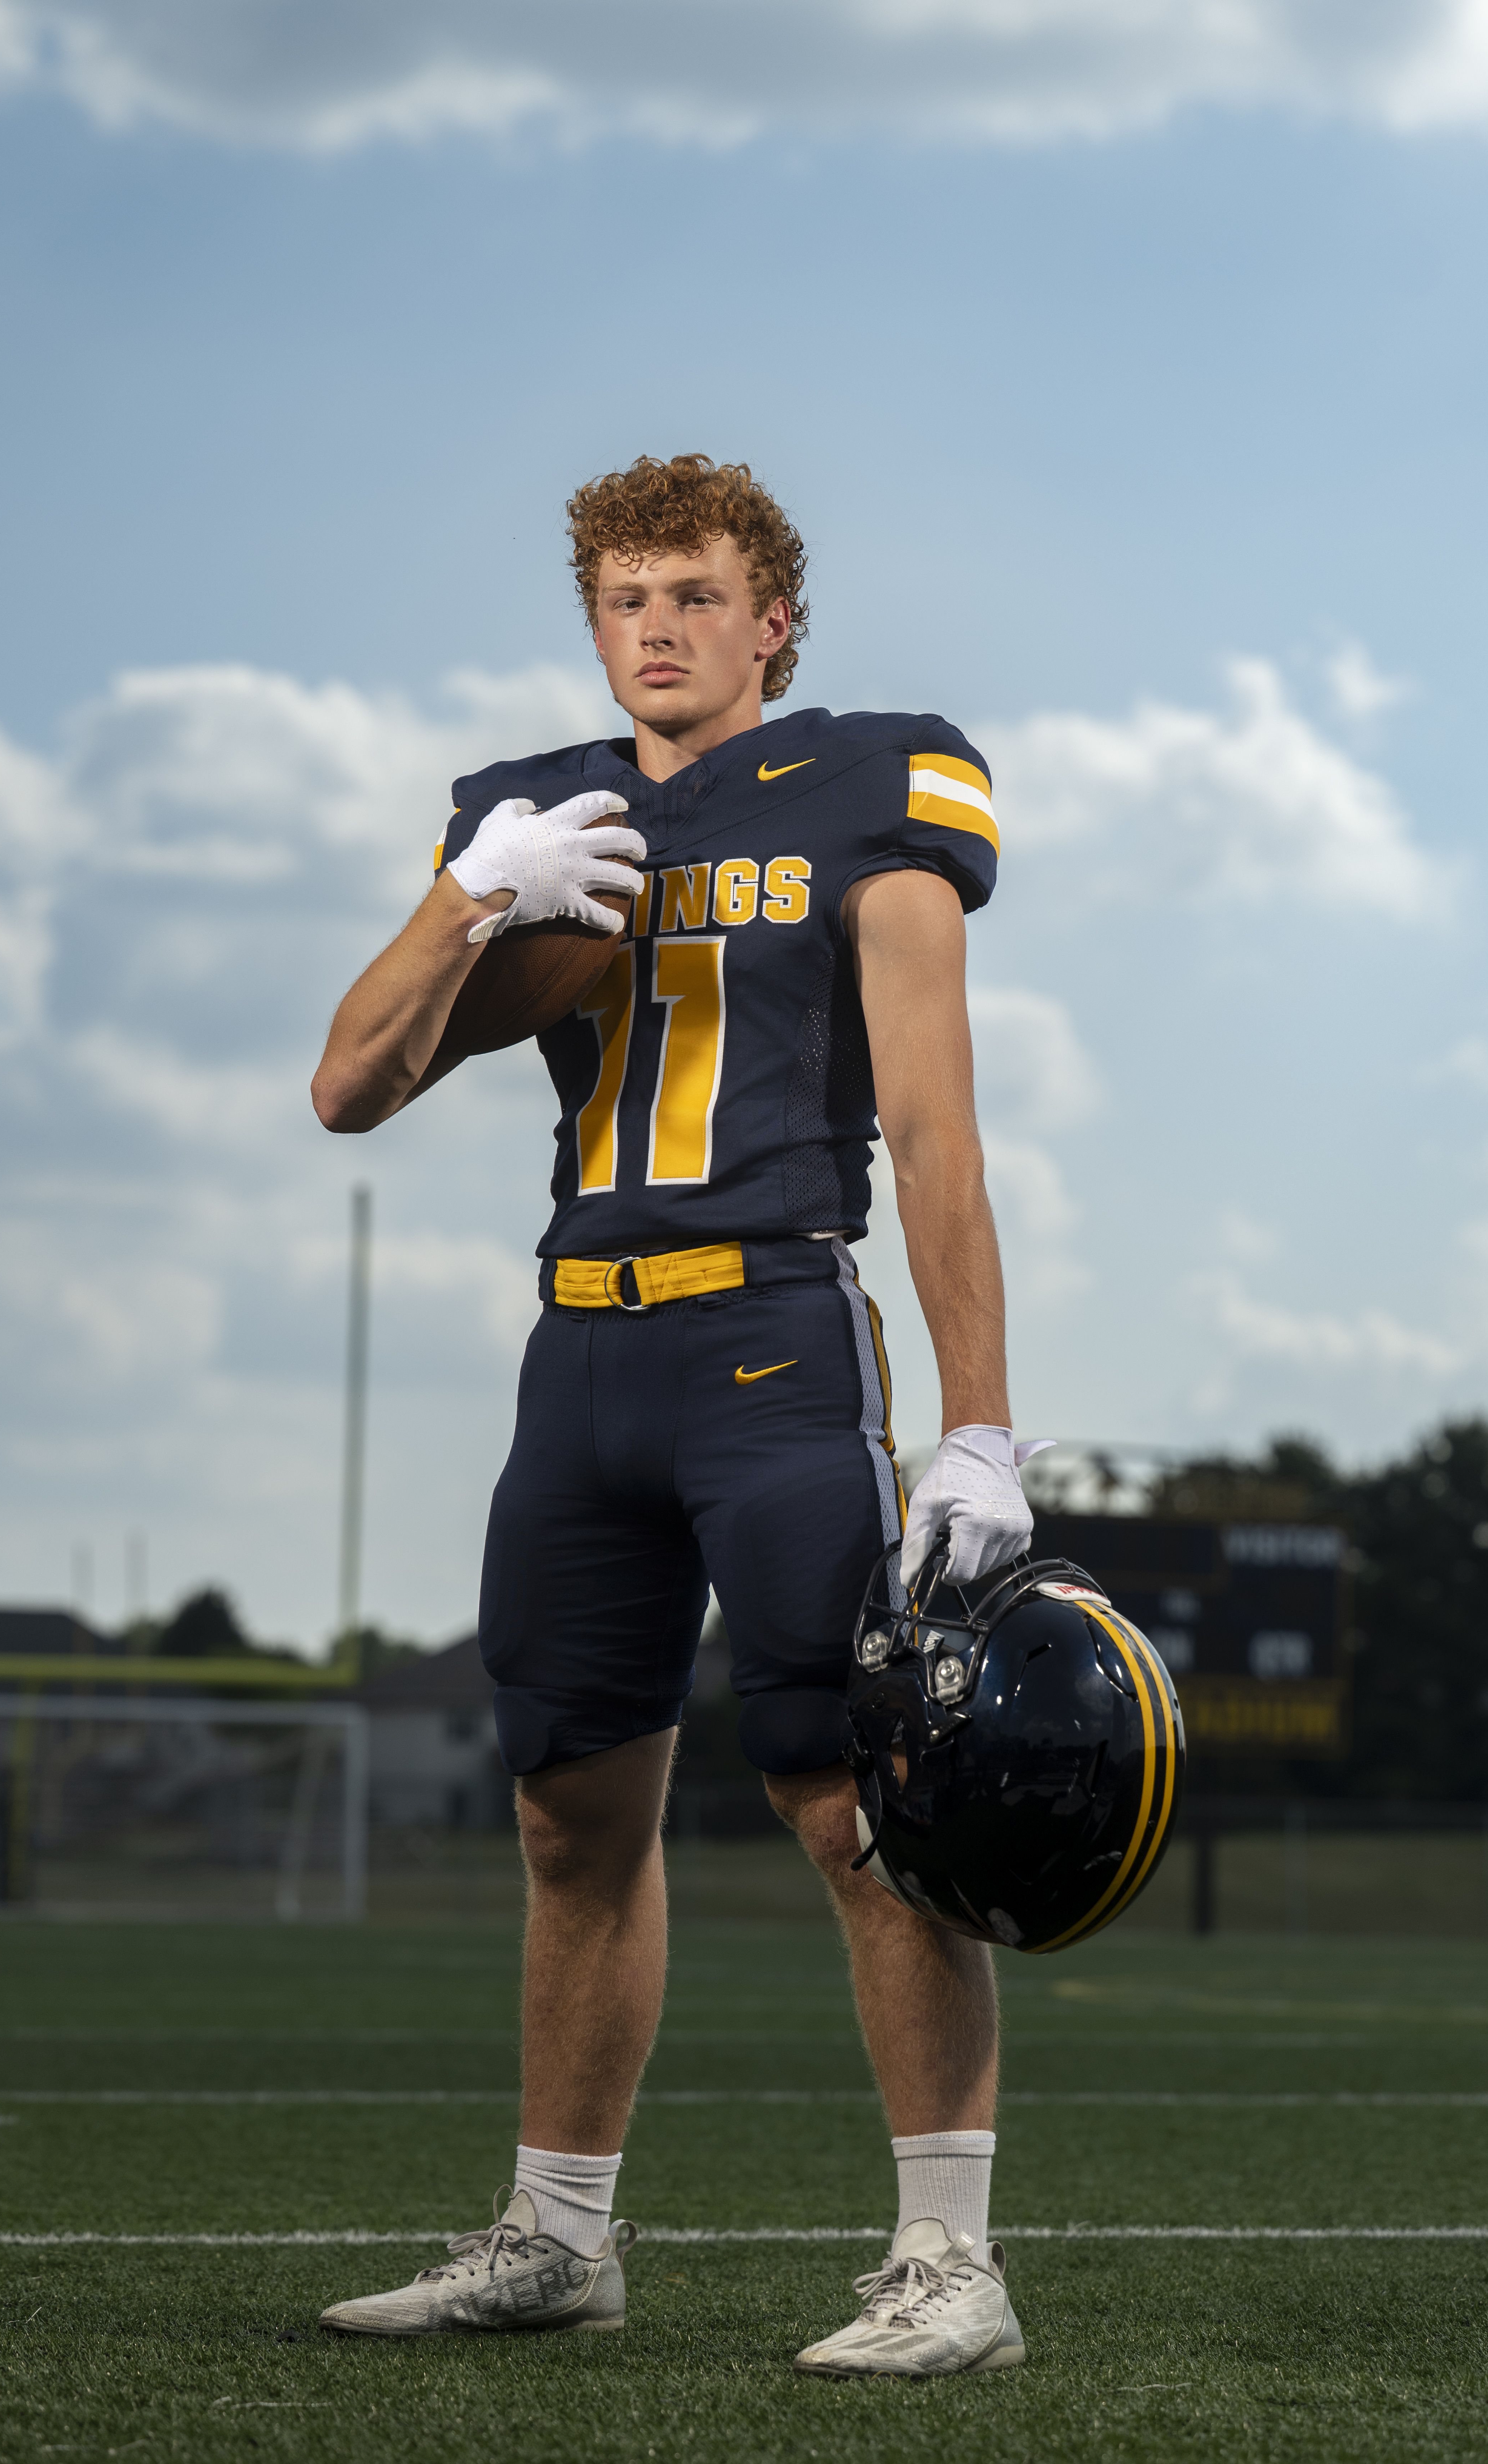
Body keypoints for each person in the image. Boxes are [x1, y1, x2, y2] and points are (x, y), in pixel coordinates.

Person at [309, 453, 1046, 2378]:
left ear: (774, 616)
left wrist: (981, 1421)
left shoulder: (875, 778)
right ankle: (559, 2237)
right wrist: (477, 896)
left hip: (769, 1333)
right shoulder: (527, 812)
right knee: (568, 1816)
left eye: (700, 595)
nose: (660, 629)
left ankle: (951, 2262)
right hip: (581, 1353)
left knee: (848, 1795)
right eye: (627, 599)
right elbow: (349, 1083)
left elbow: (944, 1123)